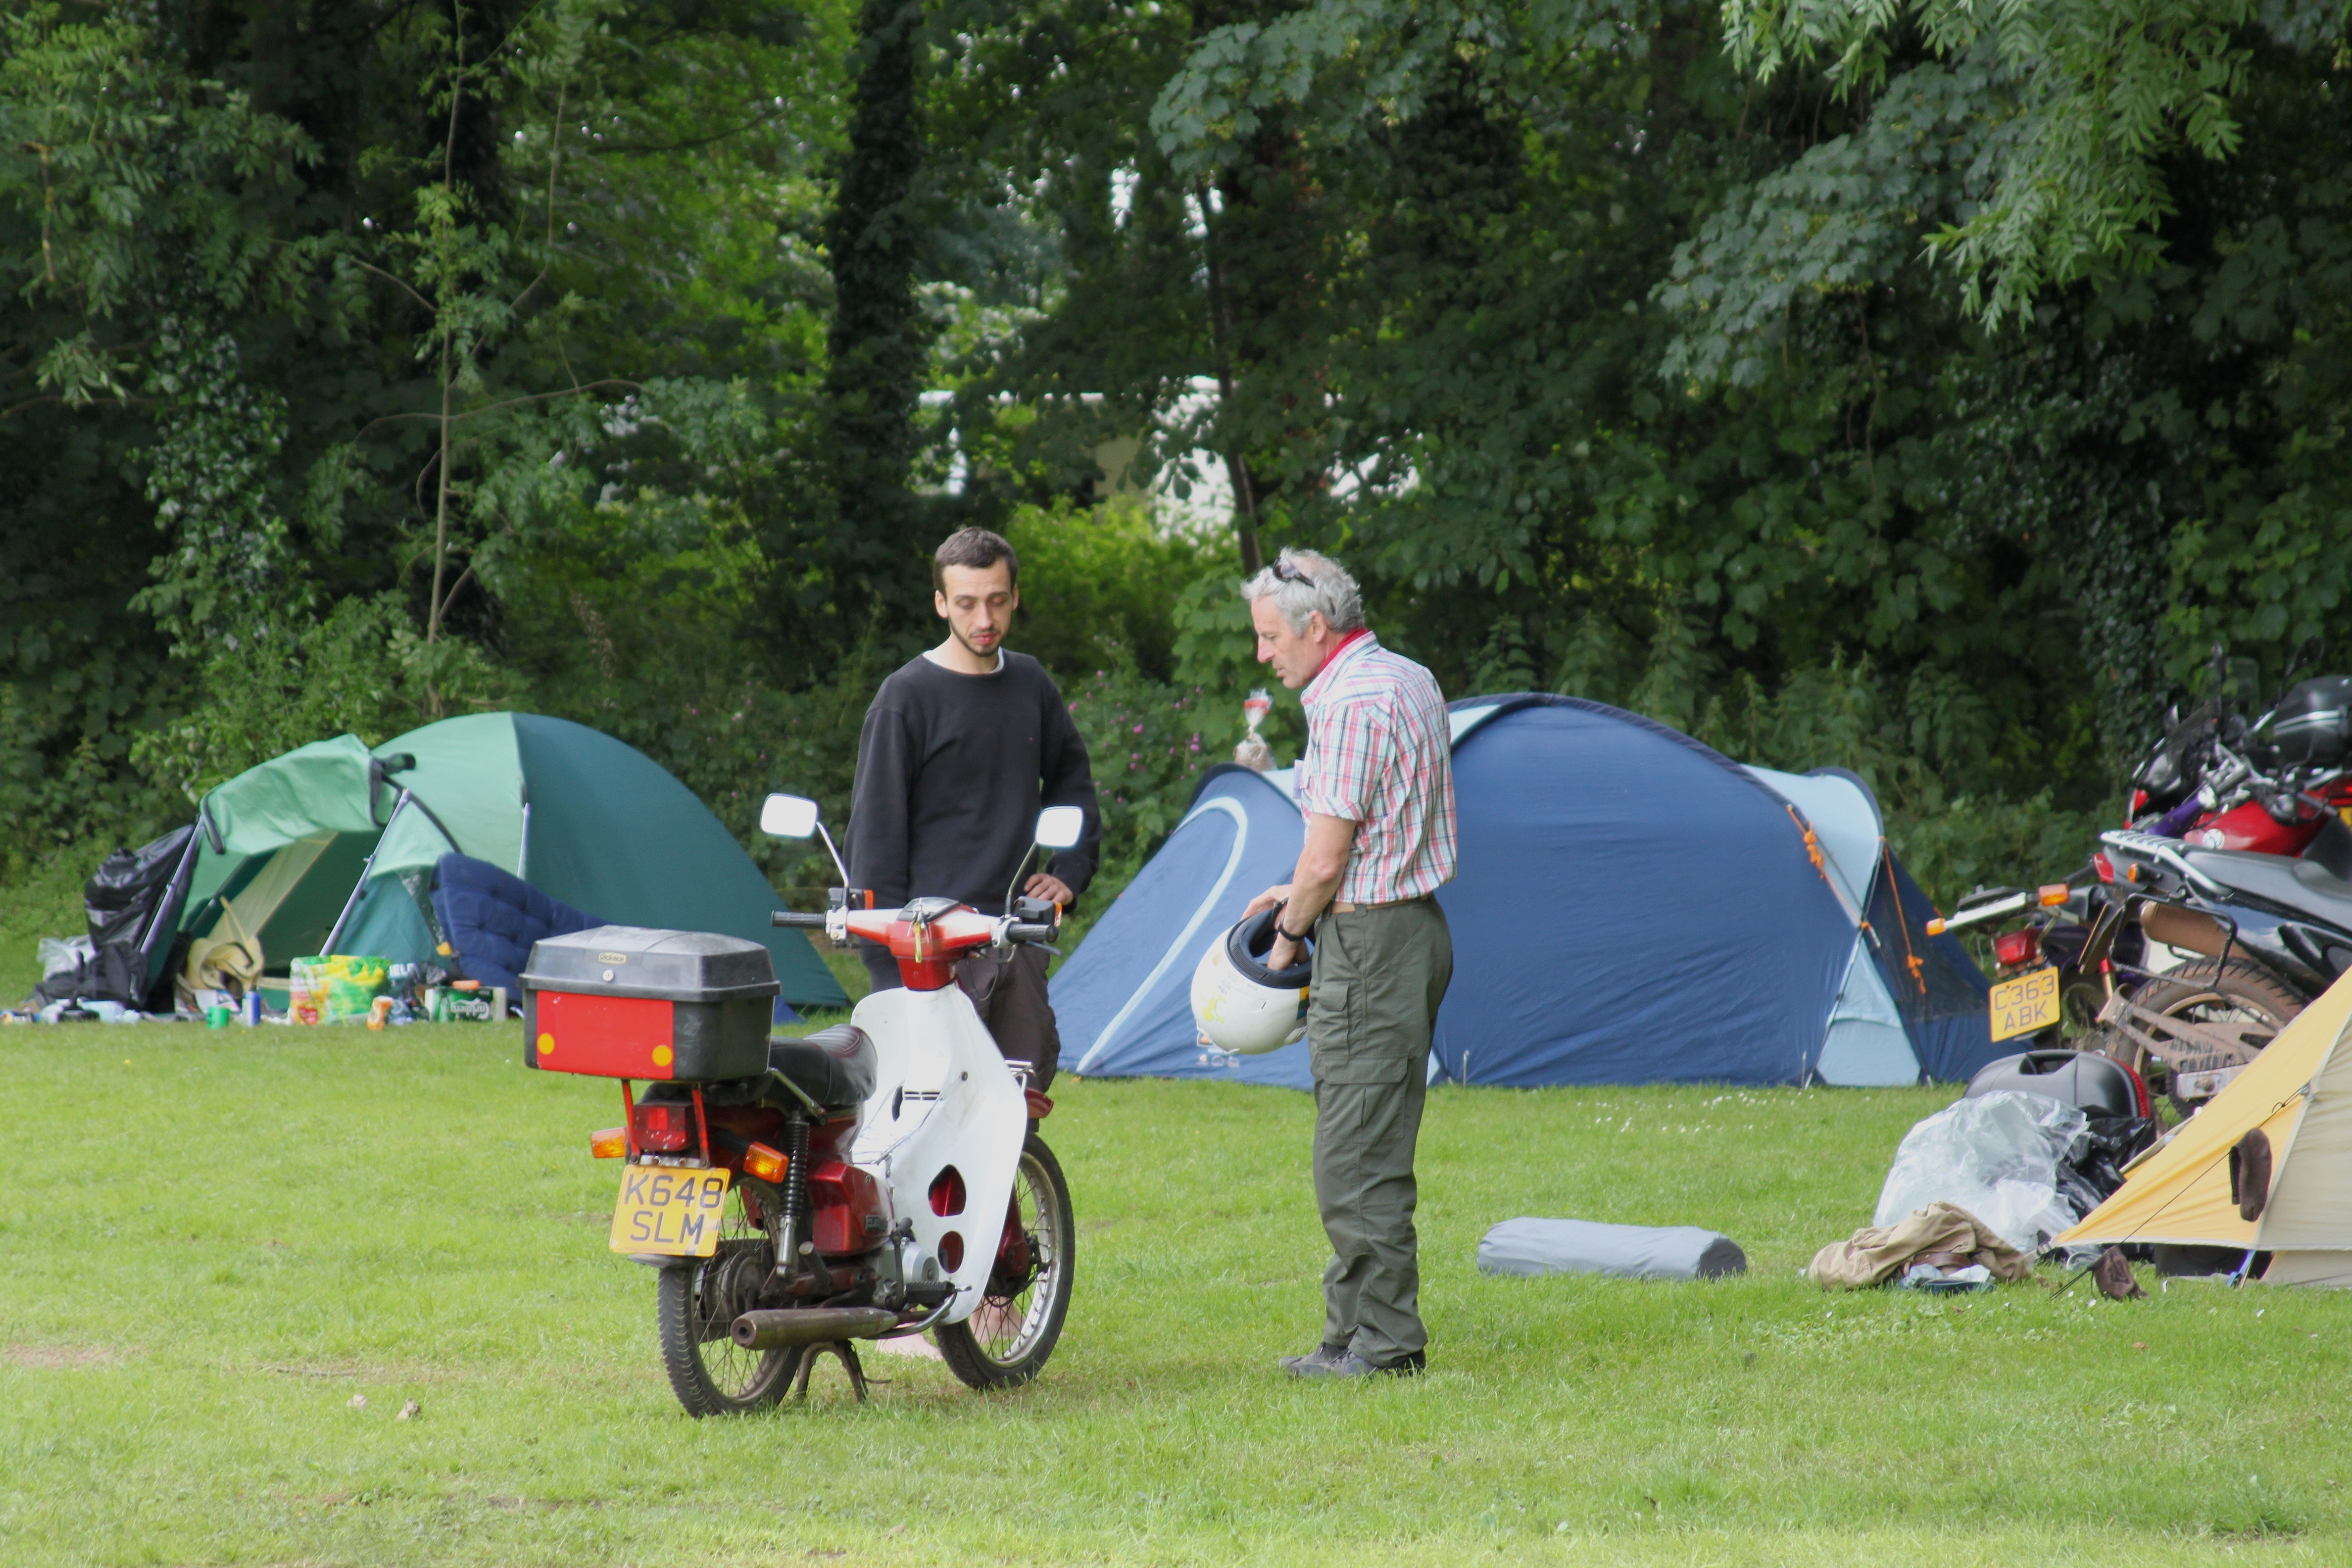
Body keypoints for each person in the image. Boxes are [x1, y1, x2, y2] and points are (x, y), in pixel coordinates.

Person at [1240, 548, 1456, 1378]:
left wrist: (1288, 933)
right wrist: (1296, 888)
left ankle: (1386, 1344)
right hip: (1409, 927)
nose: (1263, 654)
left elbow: (1329, 858)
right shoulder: (1406, 676)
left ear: (1317, 626)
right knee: (1362, 1143)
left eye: (1271, 637)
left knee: (1355, 1157)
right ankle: (1346, 1337)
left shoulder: (1351, 702)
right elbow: (1372, 831)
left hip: (1370, 945)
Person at [844, 528, 1101, 1091]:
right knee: (926, 1114)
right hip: (926, 952)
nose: (984, 618)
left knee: (1017, 1111)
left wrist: (1070, 871)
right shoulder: (905, 698)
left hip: (1014, 942)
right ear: (941, 603)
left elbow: (1073, 783)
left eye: (997, 600)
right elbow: (875, 839)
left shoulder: (1031, 684)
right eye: (966, 603)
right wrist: (890, 972)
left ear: (1014, 597)